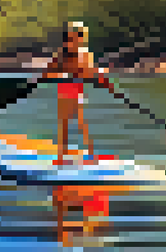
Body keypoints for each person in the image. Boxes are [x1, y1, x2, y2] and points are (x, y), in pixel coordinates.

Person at [38, 20, 117, 164]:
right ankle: (61, 157)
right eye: (72, 37)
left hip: (77, 91)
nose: (75, 41)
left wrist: (102, 77)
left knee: (82, 122)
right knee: (64, 123)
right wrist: (59, 75)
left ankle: (91, 155)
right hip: (64, 91)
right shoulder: (61, 55)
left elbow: (91, 72)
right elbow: (47, 73)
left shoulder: (86, 55)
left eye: (79, 37)